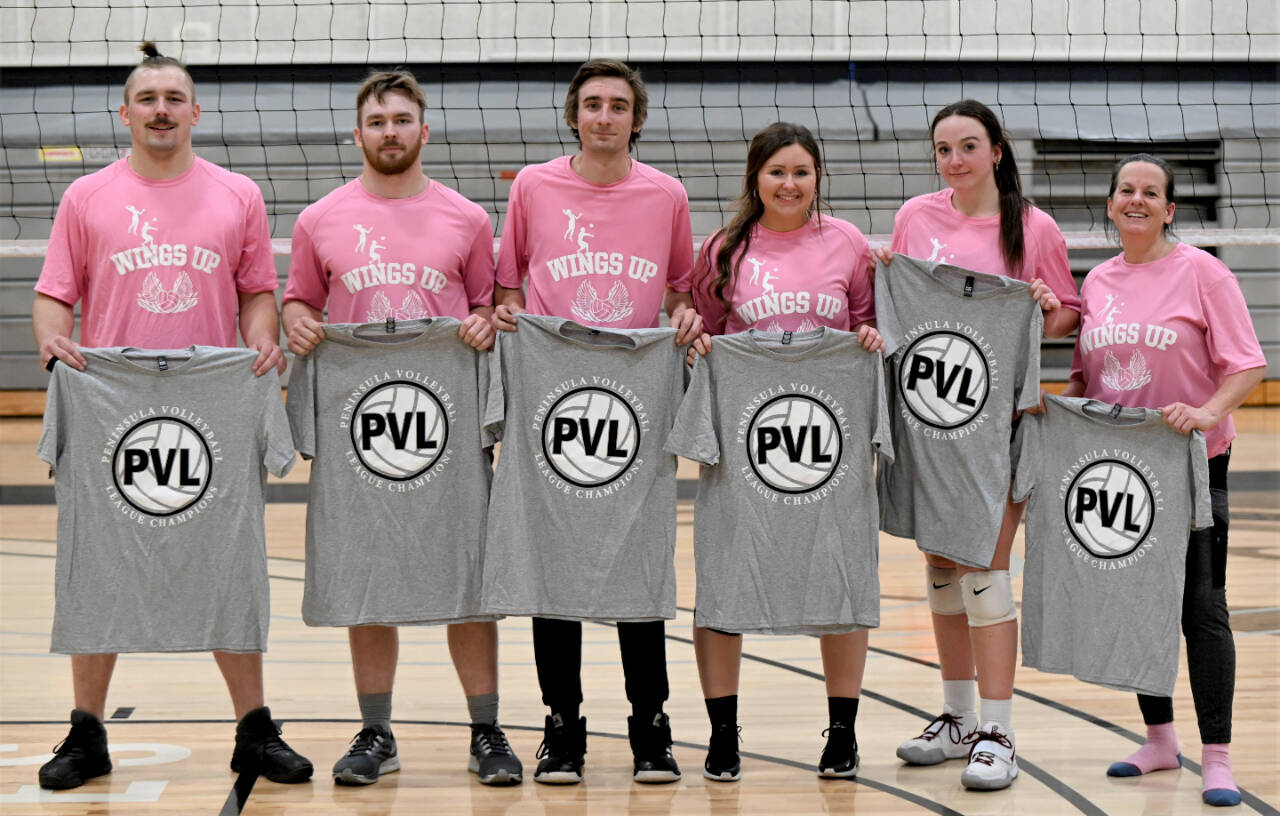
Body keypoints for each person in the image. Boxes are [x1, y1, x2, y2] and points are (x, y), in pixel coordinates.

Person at [30, 42, 311, 789]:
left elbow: (257, 292)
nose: (161, 110)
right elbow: (54, 295)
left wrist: (260, 341)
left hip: (210, 407)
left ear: (196, 111)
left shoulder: (237, 194)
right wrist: (53, 341)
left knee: (229, 561)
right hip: (112, 408)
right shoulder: (86, 196)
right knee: (98, 561)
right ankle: (86, 733)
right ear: (124, 113)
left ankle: (255, 729)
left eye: (173, 98)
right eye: (147, 99)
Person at [280, 69, 522, 787]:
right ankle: (376, 730)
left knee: (468, 576)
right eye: (378, 121)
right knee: (367, 574)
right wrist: (298, 323)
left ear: (425, 131)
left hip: (448, 430)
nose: (390, 132)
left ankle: (486, 728)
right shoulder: (319, 219)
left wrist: (483, 323)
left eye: (402, 120)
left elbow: (489, 307)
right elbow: (298, 303)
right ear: (358, 135)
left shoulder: (467, 219)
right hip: (361, 434)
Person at [491, 57, 703, 785]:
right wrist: (510, 317)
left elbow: (681, 291)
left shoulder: (667, 195)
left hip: (635, 400)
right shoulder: (533, 185)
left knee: (638, 556)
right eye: (592, 104)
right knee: (553, 556)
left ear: (636, 119)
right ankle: (562, 727)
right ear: (573, 115)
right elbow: (507, 287)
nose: (604, 116)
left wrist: (684, 316)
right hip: (553, 396)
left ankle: (651, 724)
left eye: (618, 105)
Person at [875, 99, 1080, 791]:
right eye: (944, 149)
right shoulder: (915, 217)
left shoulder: (1034, 227)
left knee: (984, 568)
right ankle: (958, 718)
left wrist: (1045, 308)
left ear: (996, 151)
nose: (955, 160)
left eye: (968, 146)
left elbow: (1067, 314)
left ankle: (999, 731)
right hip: (930, 420)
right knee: (941, 562)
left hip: (1001, 422)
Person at [1063, 154, 1265, 808]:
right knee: (1137, 607)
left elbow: (1247, 365)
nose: (1137, 200)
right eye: (1126, 190)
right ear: (1111, 204)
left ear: (1170, 209)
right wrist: (1053, 414)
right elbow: (1086, 378)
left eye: (1151, 192)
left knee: (1201, 607)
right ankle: (1158, 741)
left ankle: (1217, 757)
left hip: (1194, 461)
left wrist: (1207, 412)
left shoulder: (1203, 273)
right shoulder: (1098, 281)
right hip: (1123, 469)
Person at [687, 121, 883, 781]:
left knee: (840, 575)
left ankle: (842, 732)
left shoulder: (847, 242)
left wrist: (868, 340)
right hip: (745, 447)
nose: (790, 184)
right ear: (756, 178)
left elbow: (868, 328)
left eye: (801, 172)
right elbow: (703, 340)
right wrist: (700, 344)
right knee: (724, 578)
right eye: (777, 172)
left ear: (817, 177)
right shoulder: (723, 249)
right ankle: (723, 734)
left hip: (830, 446)